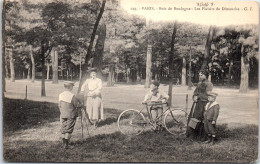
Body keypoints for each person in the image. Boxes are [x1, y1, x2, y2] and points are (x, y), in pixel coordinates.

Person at [186, 70, 213, 141]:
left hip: (204, 103)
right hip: (197, 103)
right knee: (194, 118)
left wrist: (198, 96)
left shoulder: (209, 84)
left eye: (201, 75)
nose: (200, 77)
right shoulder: (199, 83)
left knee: (202, 120)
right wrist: (194, 96)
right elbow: (196, 92)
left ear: (206, 75)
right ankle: (193, 135)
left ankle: (202, 137)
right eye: (199, 75)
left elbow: (208, 95)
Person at [59, 81, 81, 149]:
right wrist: (81, 105)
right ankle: (66, 144)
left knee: (63, 128)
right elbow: (76, 105)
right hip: (71, 114)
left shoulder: (61, 95)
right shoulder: (72, 96)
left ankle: (64, 143)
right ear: (70, 87)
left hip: (63, 114)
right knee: (68, 129)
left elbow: (59, 105)